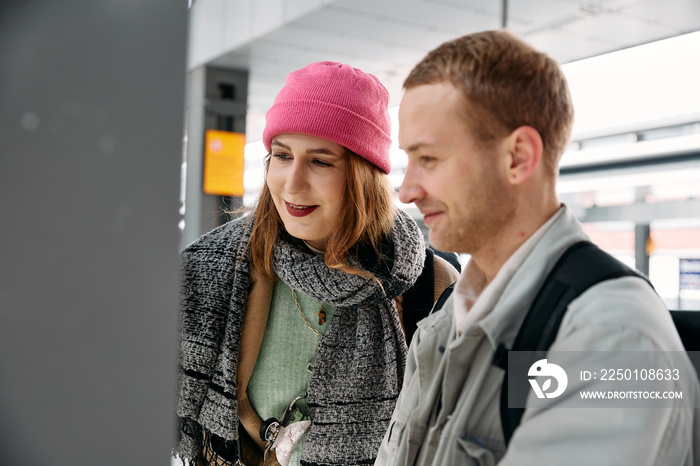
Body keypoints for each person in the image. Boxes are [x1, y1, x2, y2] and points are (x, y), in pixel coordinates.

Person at [375, 30, 700, 465]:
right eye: (407, 160)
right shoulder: (447, 315)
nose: (406, 191)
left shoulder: (613, 337)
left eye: (429, 159)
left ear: (518, 158)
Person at [174, 61, 459, 466]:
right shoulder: (214, 272)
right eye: (282, 156)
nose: (292, 183)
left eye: (321, 161)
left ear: (363, 176)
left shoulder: (430, 286)